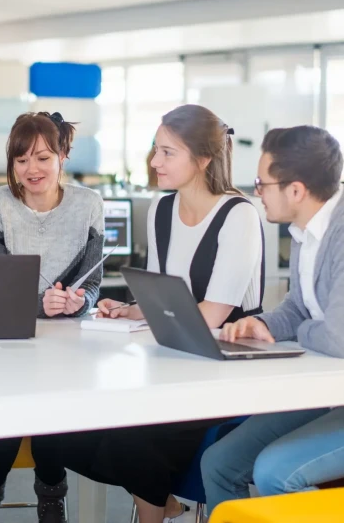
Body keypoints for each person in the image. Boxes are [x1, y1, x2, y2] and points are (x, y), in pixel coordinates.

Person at [53, 104, 266, 523]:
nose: (154, 162)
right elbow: (165, 300)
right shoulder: (161, 210)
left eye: (168, 152)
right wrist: (128, 309)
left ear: (203, 159)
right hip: (174, 361)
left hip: (226, 368)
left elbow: (211, 315)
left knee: (133, 436)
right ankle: (161, 503)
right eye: (155, 150)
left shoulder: (238, 215)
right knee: (66, 431)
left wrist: (146, 316)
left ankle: (155, 512)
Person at [201, 125, 344, 516]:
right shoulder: (304, 232)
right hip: (329, 391)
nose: (256, 192)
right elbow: (301, 308)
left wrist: (300, 331)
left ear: (295, 190)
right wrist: (263, 325)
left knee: (275, 472)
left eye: (262, 183)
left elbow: (338, 336)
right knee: (219, 464)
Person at [0, 111, 105, 523]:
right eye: (21, 159)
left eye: (43, 158)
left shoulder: (89, 204)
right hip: (9, 339)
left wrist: (76, 303)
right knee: (13, 412)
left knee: (52, 413)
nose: (32, 169)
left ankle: (51, 502)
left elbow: (94, 286)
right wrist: (38, 304)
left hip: (66, 346)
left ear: (62, 156)